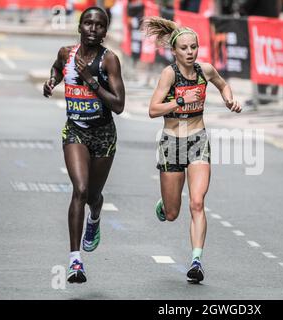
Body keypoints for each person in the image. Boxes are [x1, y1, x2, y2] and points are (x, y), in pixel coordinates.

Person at [144, 17, 242, 284]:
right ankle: (165, 203)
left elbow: (223, 84)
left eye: (193, 47)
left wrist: (229, 98)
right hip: (171, 142)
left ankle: (196, 261)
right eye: (184, 48)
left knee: (197, 202)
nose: (189, 53)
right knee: (173, 213)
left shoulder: (205, 70)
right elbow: (153, 110)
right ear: (174, 51)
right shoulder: (169, 74)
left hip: (198, 140)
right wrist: (179, 100)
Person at [43, 6, 125, 284]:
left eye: (99, 25)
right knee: (79, 189)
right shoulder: (66, 53)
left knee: (91, 196)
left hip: (103, 136)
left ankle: (96, 215)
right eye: (88, 23)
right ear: (79, 27)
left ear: (105, 31)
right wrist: (52, 81)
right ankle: (75, 261)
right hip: (75, 131)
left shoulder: (109, 60)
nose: (92, 28)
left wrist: (91, 82)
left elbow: (119, 105)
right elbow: (56, 68)